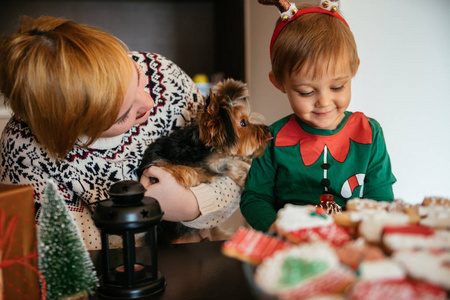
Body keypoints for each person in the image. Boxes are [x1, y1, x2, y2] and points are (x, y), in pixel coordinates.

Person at [0, 16, 241, 250]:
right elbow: (72, 260)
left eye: (137, 76)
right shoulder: (24, 153)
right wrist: (163, 227)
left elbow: (237, 175)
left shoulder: (163, 76)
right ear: (71, 131)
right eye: (124, 115)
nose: (148, 102)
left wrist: (191, 205)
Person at [240, 1, 396, 232]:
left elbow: (381, 199)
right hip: (292, 243)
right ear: (279, 83)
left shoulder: (370, 135)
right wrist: (276, 229)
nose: (324, 102)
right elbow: (255, 198)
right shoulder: (271, 140)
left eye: (337, 87)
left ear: (353, 70)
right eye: (307, 92)